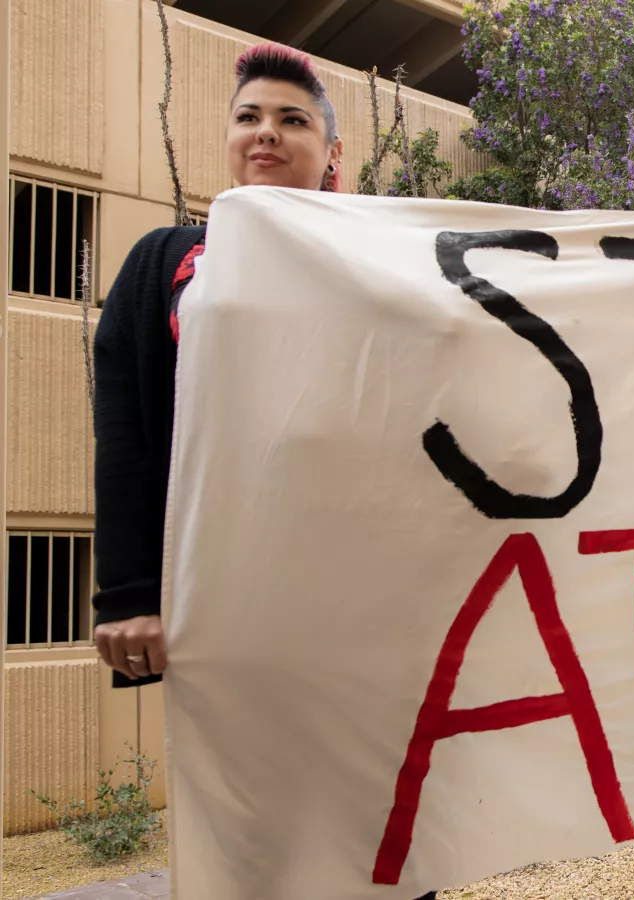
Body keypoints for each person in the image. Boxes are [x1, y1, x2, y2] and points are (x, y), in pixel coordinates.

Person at [88, 43, 432, 900]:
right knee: (253, 840)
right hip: (230, 615)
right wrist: (128, 592)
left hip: (373, 613)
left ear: (332, 156)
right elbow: (126, 431)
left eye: (293, 119)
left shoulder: (393, 267)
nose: (266, 133)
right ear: (228, 139)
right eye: (249, 117)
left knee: (396, 829)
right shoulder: (166, 263)